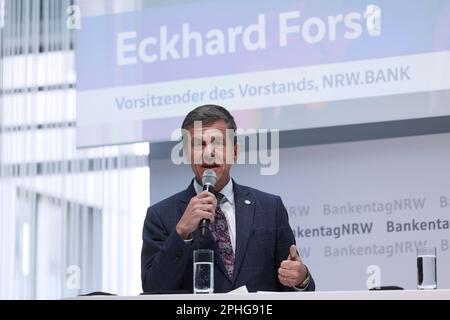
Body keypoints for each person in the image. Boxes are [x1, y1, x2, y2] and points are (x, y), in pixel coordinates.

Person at [141, 104, 315, 293]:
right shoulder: (160, 216)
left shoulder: (270, 208)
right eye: (199, 144)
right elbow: (152, 289)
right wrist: (181, 233)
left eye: (218, 143)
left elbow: (293, 285)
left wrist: (300, 279)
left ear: (234, 151)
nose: (209, 153)